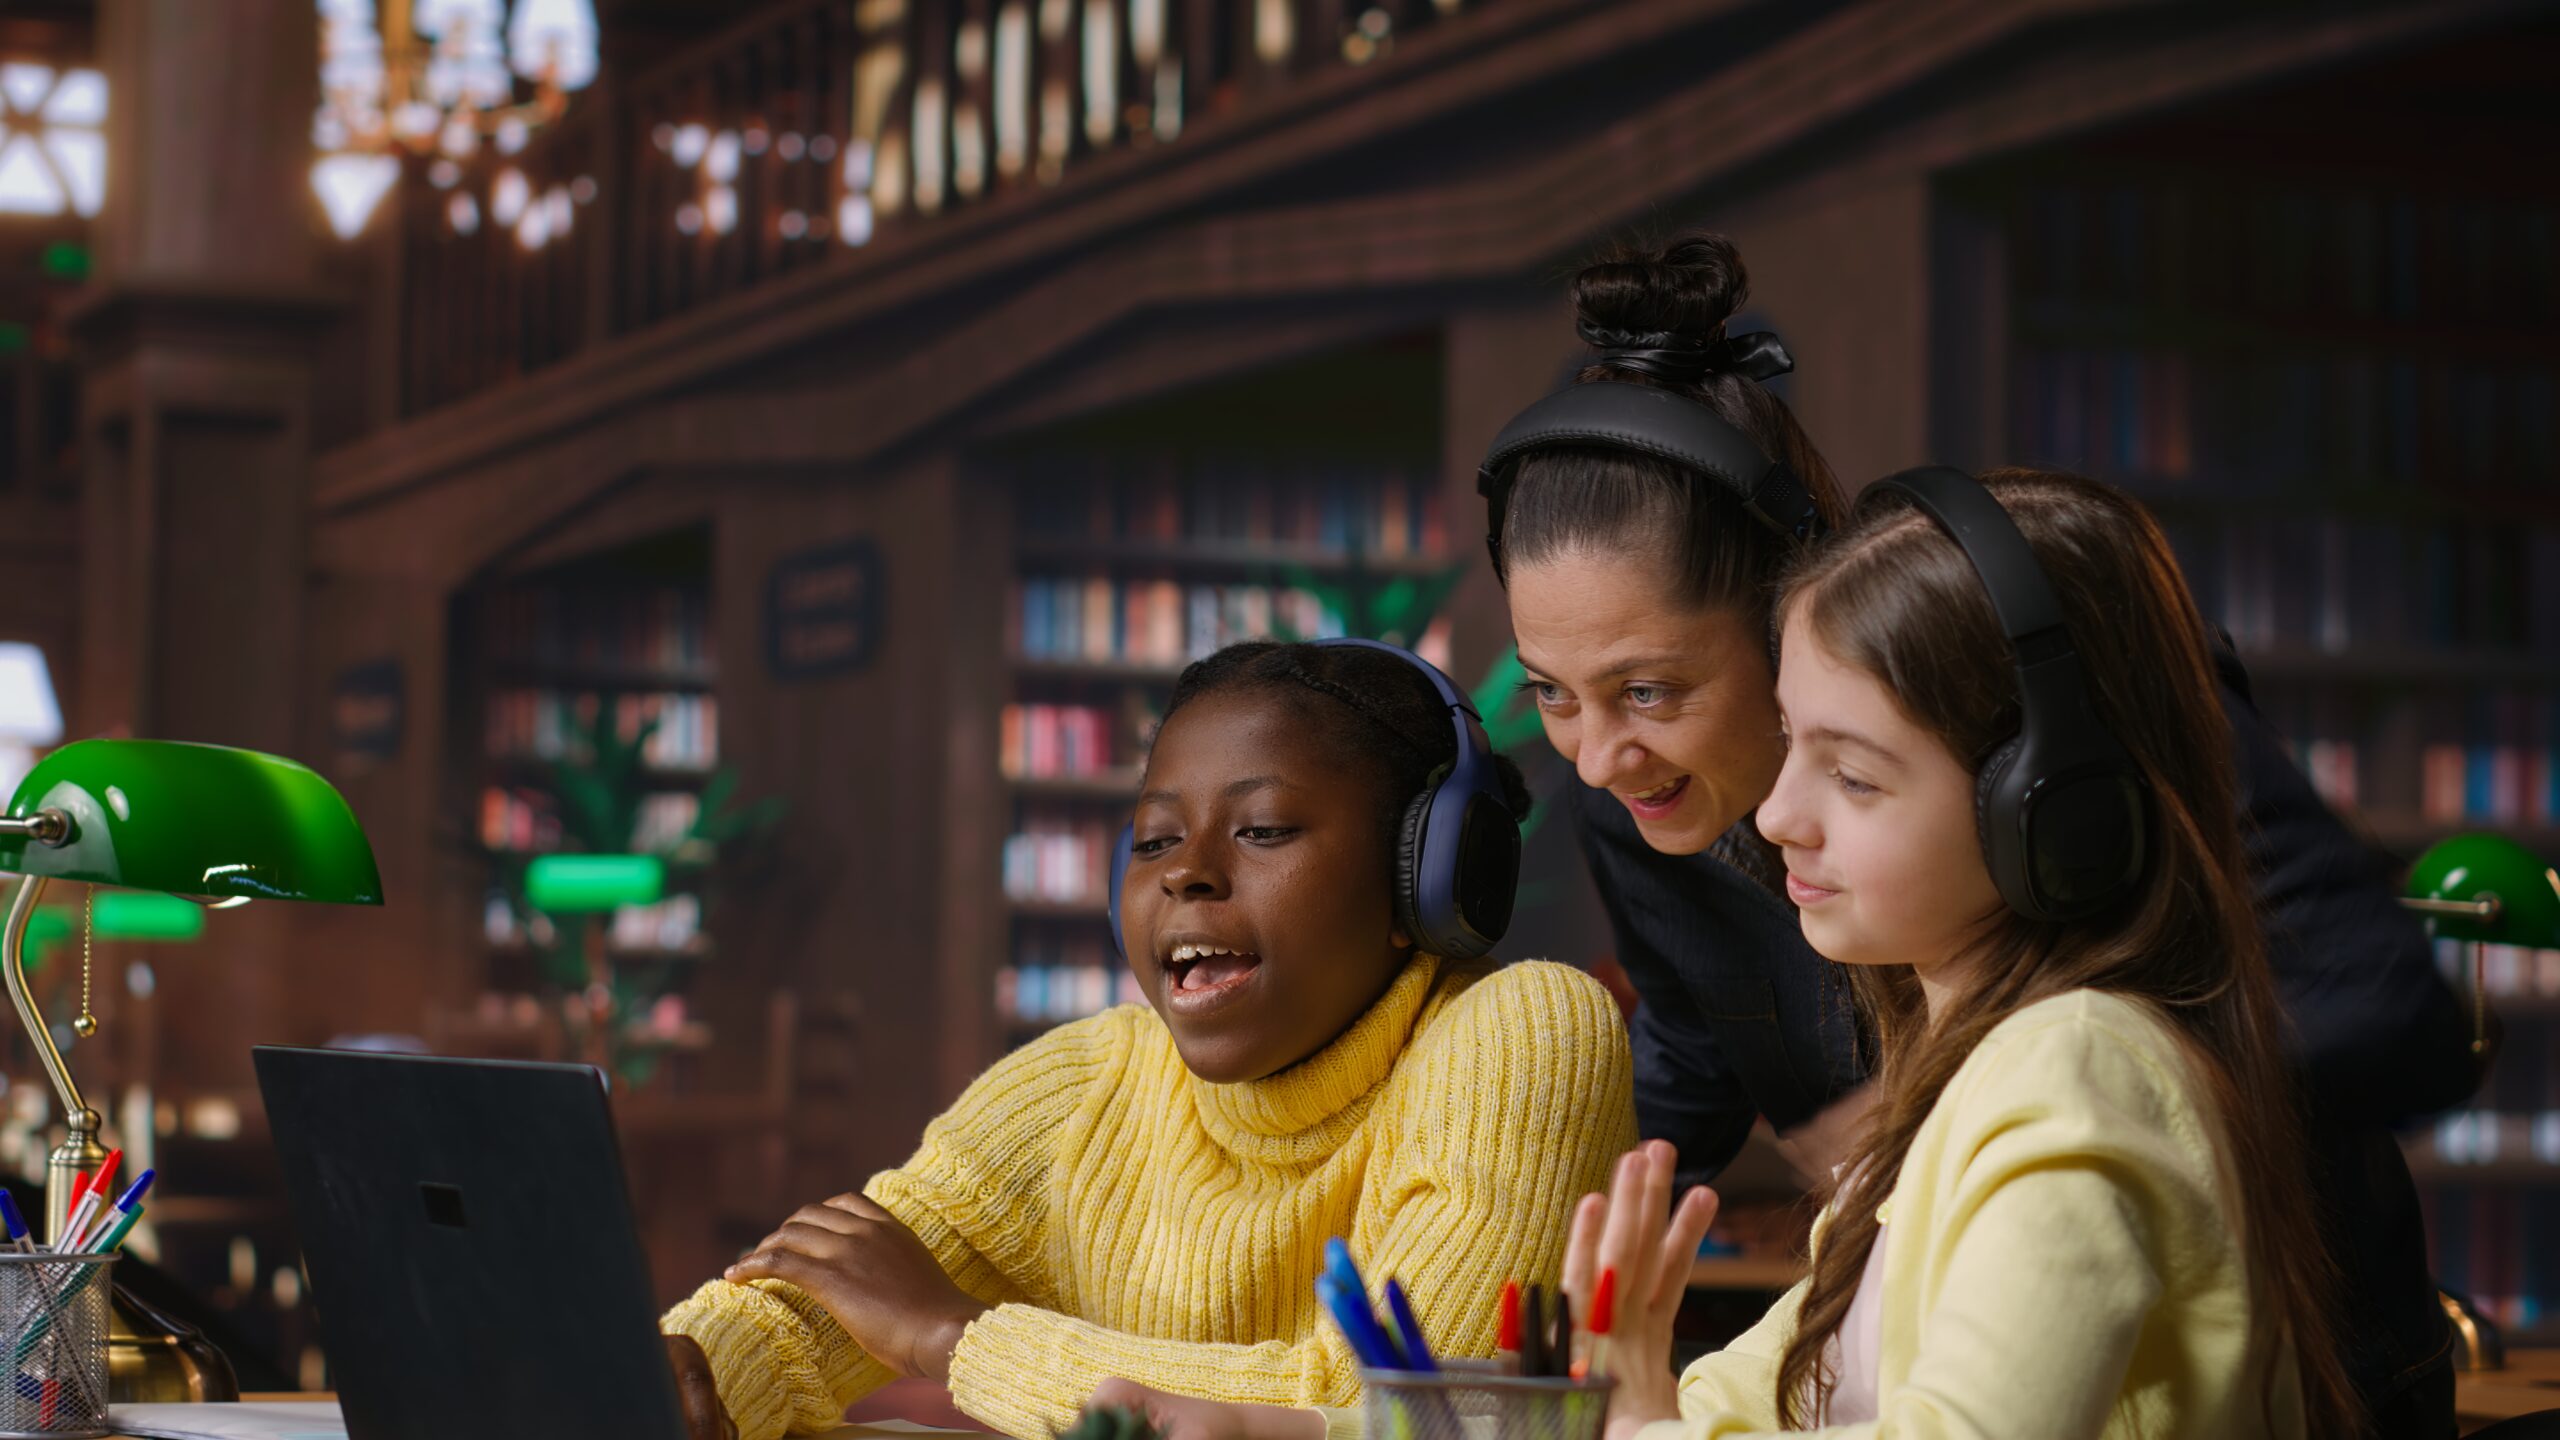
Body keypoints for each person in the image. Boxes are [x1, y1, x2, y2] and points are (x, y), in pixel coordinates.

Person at [1487, 234, 2471, 1434]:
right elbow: (1702, 1051)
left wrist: (1981, 1112)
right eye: (1551, 693)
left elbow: (2376, 1005)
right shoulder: (1629, 805)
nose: (1594, 757)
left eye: (1648, 691)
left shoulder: (2046, 713)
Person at [662, 640, 1636, 1440]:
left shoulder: (1523, 1033)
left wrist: (951, 1336)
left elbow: (1393, 1412)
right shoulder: (1083, 1082)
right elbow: (825, 1295)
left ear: (1425, 875)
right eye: (1155, 840)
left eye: (1259, 830)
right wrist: (689, 1366)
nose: (1188, 875)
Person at [1559, 467, 2357, 1437]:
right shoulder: (1963, 1081)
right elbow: (1751, 1397)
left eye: (1851, 776)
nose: (1775, 817)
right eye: (1787, 741)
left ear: (2047, 814)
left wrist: (1642, 1422)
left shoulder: (2077, 1070)